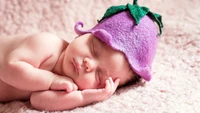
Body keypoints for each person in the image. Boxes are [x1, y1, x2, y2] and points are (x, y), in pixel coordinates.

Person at [0, 0, 163, 111]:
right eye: (93, 49)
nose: (88, 64)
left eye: (99, 76)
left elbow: (38, 101)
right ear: (86, 34)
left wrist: (84, 97)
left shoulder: (69, 82)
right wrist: (52, 81)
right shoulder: (46, 43)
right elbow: (8, 69)